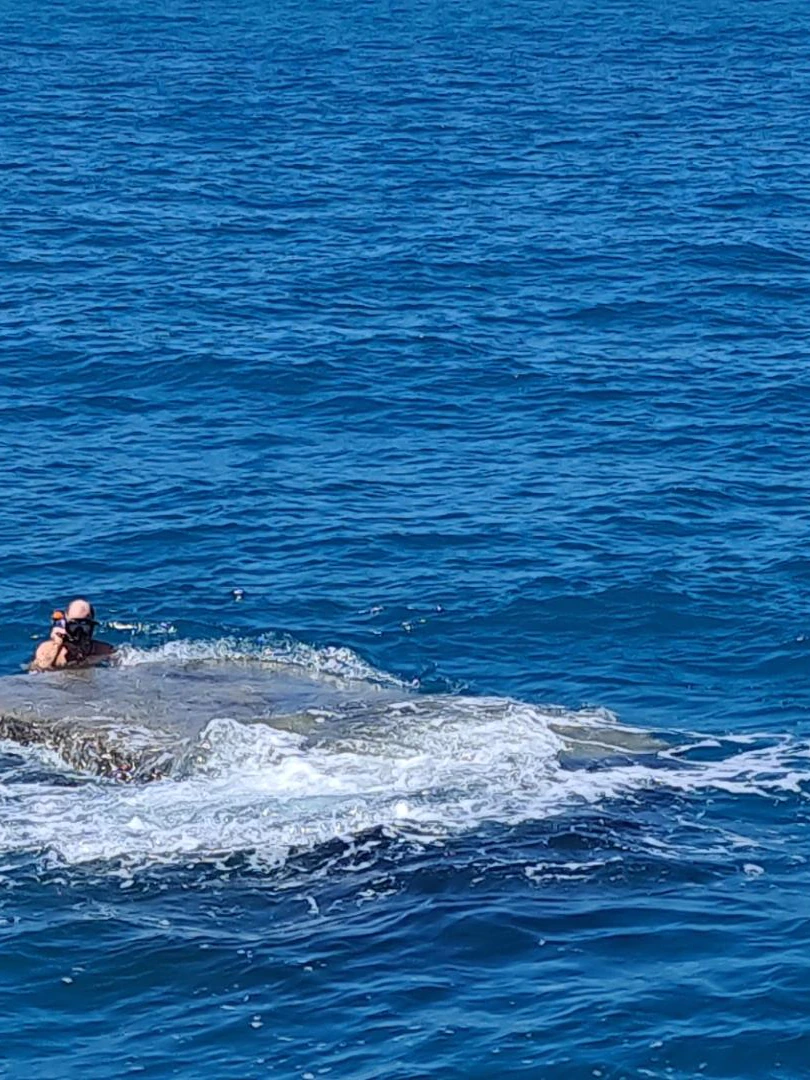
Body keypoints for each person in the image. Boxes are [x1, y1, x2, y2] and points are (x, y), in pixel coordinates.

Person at [30, 598, 115, 671]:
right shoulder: (49, 648)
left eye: (84, 625)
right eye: (74, 625)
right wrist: (56, 644)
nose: (79, 631)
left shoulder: (104, 650)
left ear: (92, 626)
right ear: (65, 624)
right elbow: (37, 670)